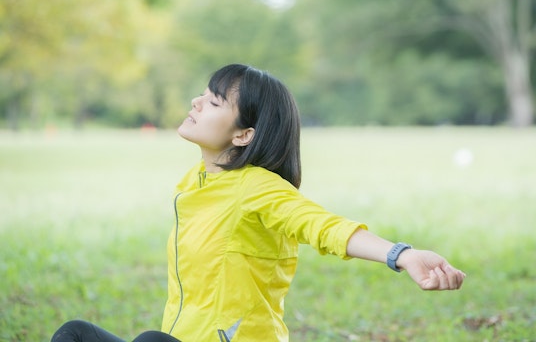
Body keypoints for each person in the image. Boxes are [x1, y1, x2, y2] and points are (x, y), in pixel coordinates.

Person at [52, 64, 466, 342]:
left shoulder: (258, 188)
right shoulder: (194, 183)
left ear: (244, 135)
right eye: (202, 95)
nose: (196, 102)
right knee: (76, 334)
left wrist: (401, 254)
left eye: (213, 102)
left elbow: (322, 226)